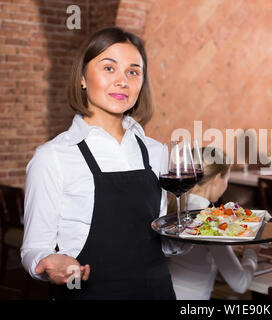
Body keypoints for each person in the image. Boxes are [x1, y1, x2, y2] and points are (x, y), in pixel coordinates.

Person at [21, 27, 179, 299]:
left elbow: (162, 243)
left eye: (133, 71)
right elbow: (33, 247)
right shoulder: (53, 157)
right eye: (109, 68)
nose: (123, 81)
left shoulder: (157, 152)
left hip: (158, 292)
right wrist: (49, 263)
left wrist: (188, 235)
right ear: (83, 78)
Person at [167, 147, 259, 300]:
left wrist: (226, 245)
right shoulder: (210, 220)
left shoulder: (173, 206)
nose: (226, 185)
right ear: (217, 179)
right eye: (227, 179)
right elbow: (240, 283)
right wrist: (252, 252)